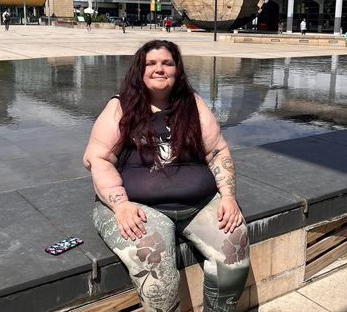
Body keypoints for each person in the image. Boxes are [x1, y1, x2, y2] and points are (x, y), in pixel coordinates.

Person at [83, 40, 250, 312]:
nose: (159, 69)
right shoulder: (120, 107)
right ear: (140, 69)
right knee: (157, 274)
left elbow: (218, 151)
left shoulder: (192, 104)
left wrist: (228, 196)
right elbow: (98, 158)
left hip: (200, 203)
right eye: (151, 63)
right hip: (138, 207)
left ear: (177, 70)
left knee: (234, 252)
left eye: (167, 63)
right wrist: (120, 205)